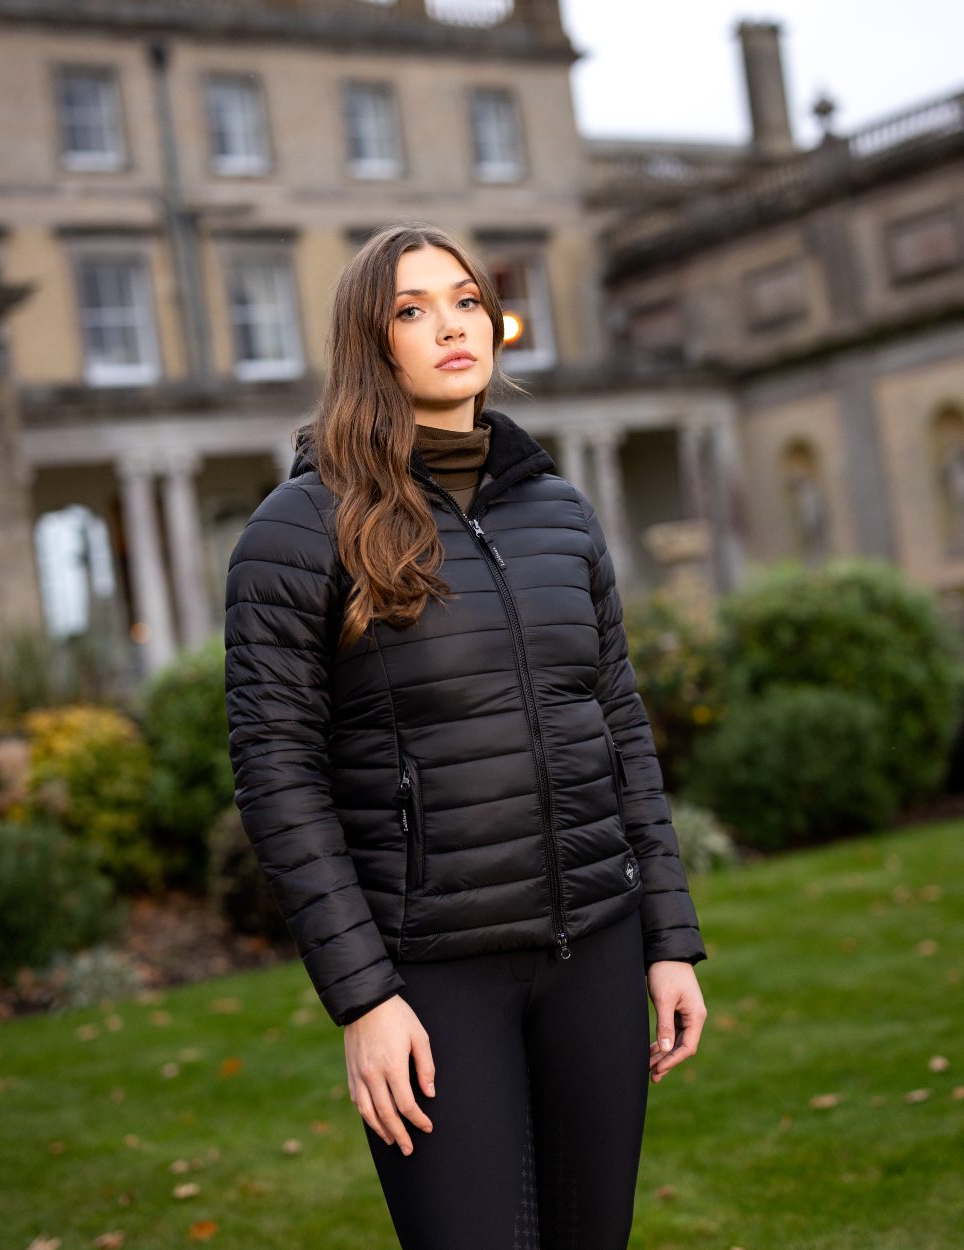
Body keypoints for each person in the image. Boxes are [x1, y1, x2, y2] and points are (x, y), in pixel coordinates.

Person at [224, 222, 707, 1250]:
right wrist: (363, 996)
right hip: (431, 979)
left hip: (596, 951)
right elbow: (276, 773)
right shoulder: (299, 529)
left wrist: (667, 937)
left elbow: (618, 723)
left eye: (465, 300)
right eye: (412, 309)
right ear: (373, 345)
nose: (451, 325)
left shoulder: (563, 514)